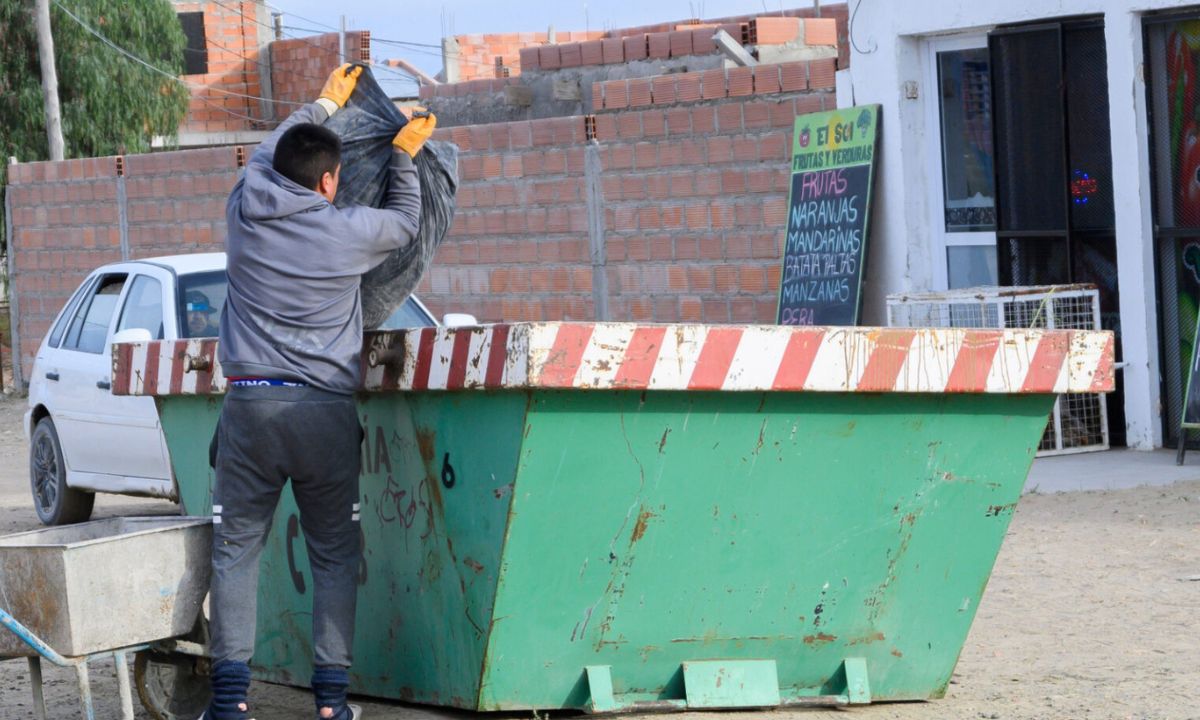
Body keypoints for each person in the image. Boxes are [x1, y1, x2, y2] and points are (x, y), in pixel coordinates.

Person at [203, 64, 436, 720]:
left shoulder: (246, 200)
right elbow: (406, 222)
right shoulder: (348, 231)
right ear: (331, 182)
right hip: (324, 413)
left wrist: (321, 104)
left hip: (249, 407)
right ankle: (332, 706)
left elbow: (270, 150)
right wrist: (402, 158)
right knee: (334, 553)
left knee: (235, 550)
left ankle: (229, 705)